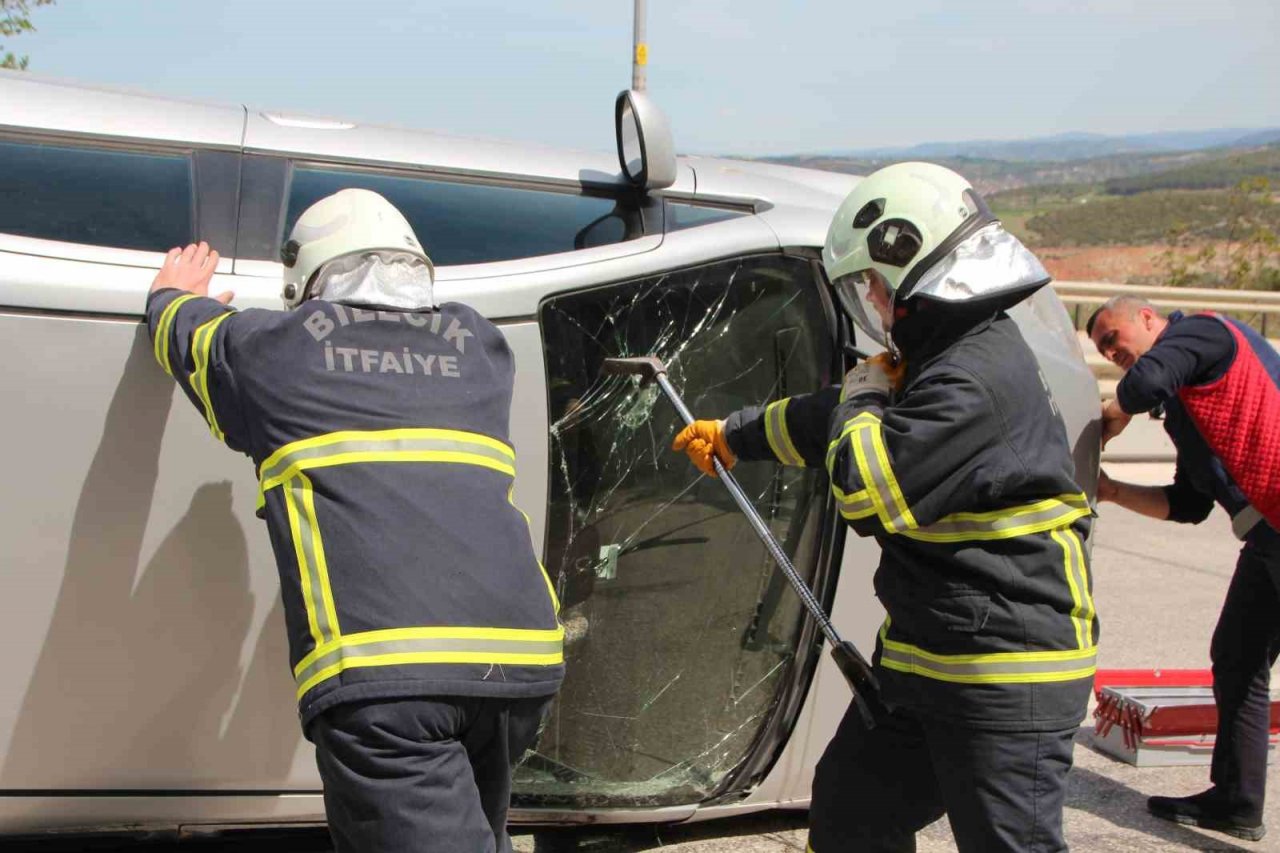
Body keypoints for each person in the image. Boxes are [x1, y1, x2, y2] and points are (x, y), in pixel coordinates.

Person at [672, 162, 1095, 852]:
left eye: (872, 281)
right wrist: (736, 433)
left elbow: (869, 488)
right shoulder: (942, 354)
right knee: (850, 814)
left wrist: (865, 393)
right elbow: (832, 414)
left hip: (1002, 674)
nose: (869, 297)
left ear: (912, 264)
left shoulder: (972, 375)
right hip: (930, 665)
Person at [145, 189, 563, 853]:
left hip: (391, 681)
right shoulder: (483, 348)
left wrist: (170, 294)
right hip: (520, 664)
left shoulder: (274, 352)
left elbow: (190, 341)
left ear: (306, 278)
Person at [1089, 294, 1280, 843]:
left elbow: (1143, 384)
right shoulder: (1185, 403)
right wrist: (1111, 490)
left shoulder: (1201, 334)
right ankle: (1236, 801)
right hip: (1267, 534)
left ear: (1149, 319)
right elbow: (1189, 505)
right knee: (1237, 657)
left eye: (1114, 338)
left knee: (1241, 658)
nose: (1109, 349)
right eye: (1101, 346)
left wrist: (1115, 413)